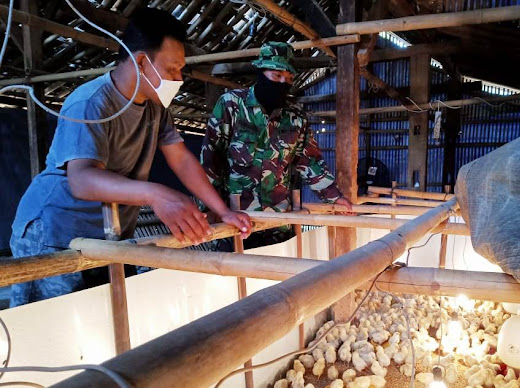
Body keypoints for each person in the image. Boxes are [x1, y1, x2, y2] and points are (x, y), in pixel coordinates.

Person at [9, 8, 252, 306]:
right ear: (141, 61)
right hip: (55, 230)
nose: (178, 78)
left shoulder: (155, 107)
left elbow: (181, 159)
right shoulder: (90, 103)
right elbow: (82, 180)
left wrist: (222, 210)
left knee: (103, 319)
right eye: (172, 69)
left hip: (107, 233)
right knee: (52, 327)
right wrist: (155, 193)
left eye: (180, 70)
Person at [201, 42, 352, 249]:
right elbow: (211, 158)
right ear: (261, 72)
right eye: (276, 75)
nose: (282, 83)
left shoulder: (295, 117)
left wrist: (334, 197)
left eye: (288, 79)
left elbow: (310, 161)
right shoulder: (232, 104)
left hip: (278, 222)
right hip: (237, 221)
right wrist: (208, 207)